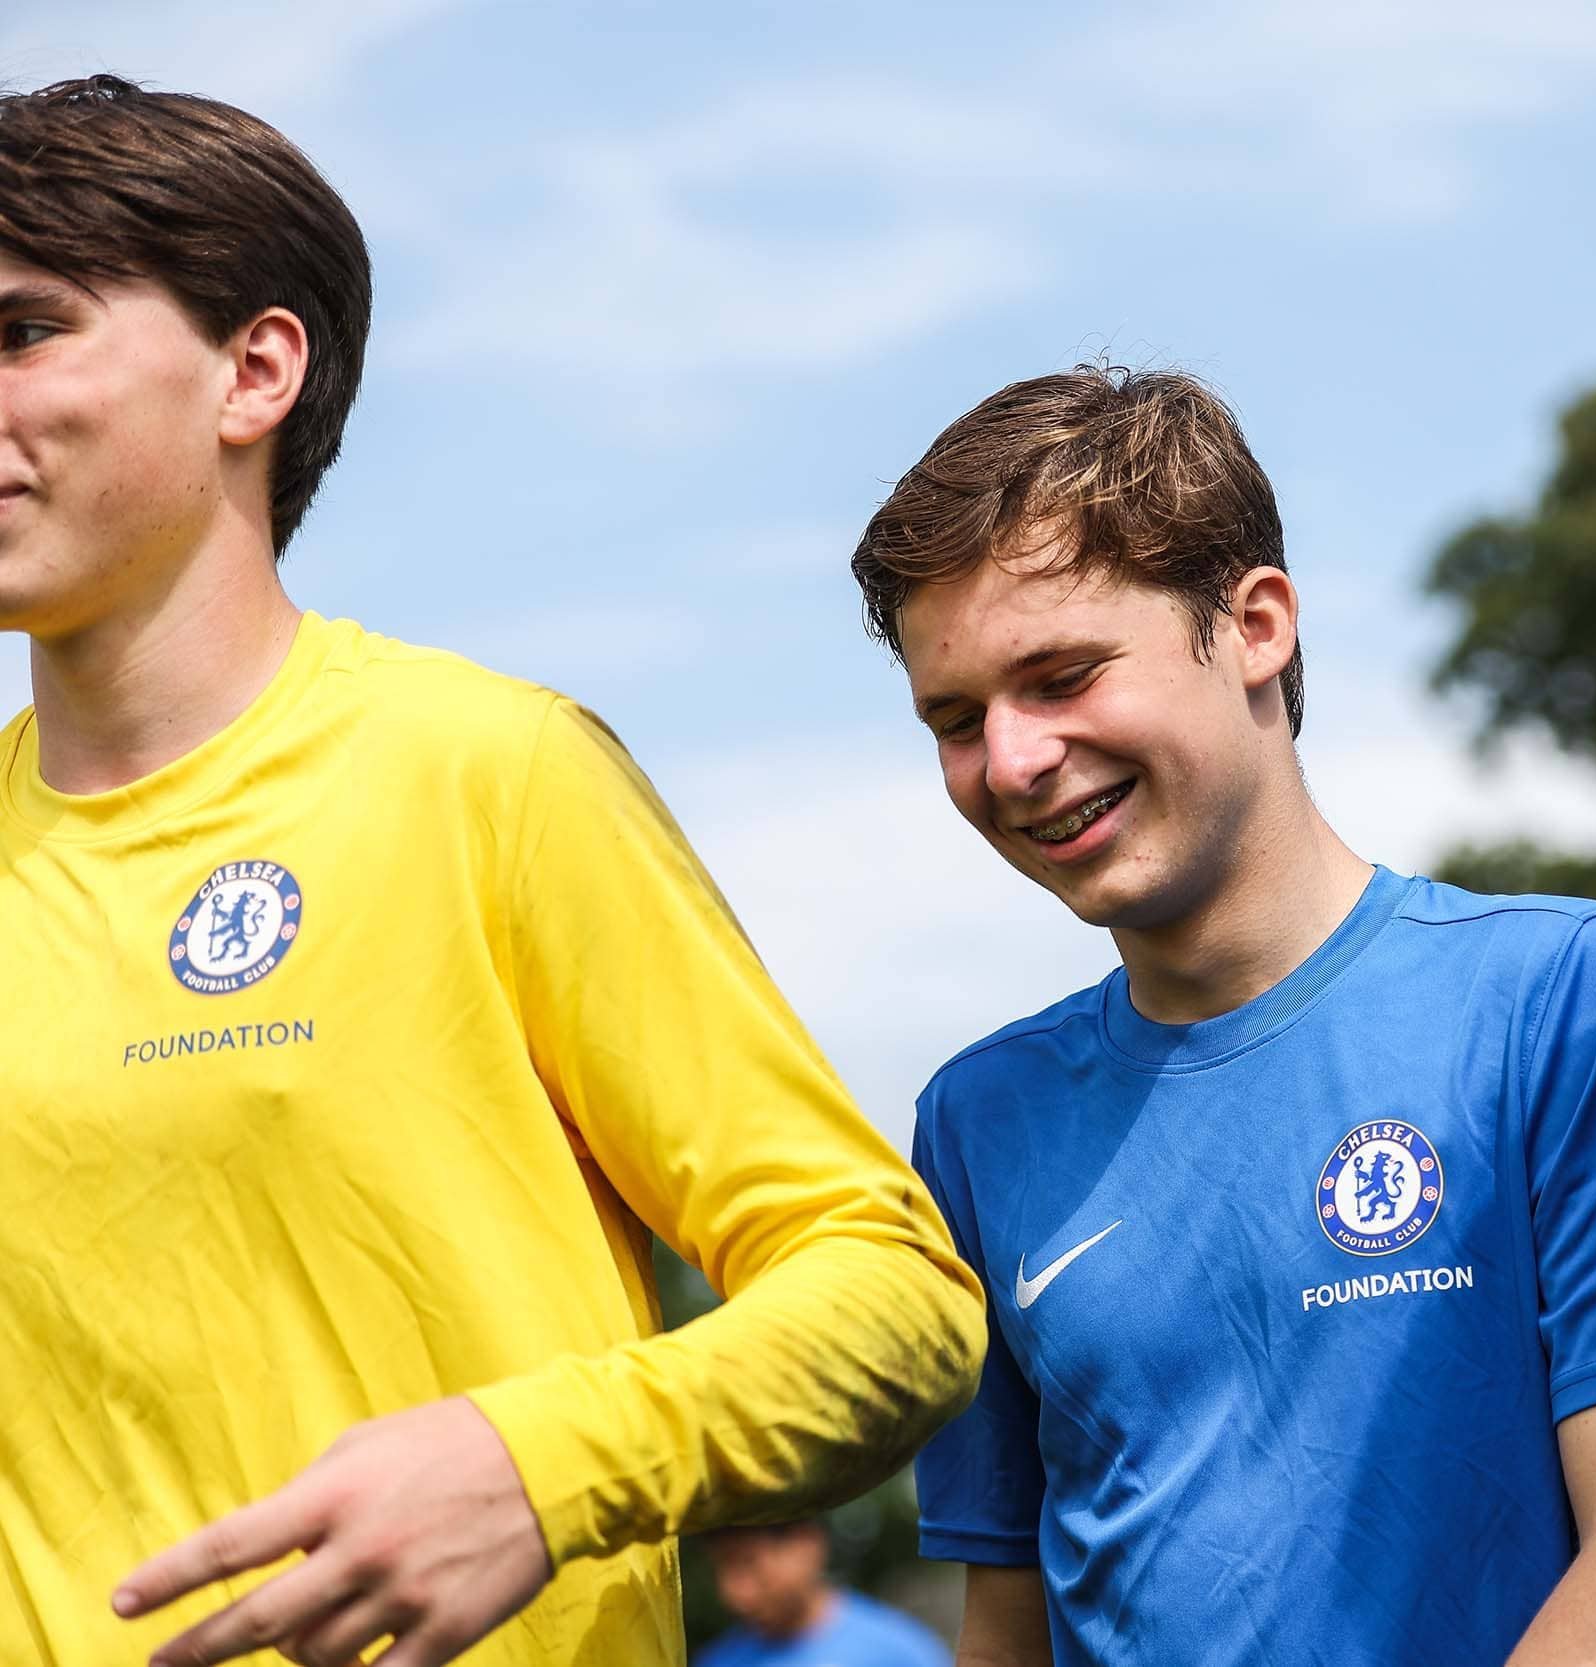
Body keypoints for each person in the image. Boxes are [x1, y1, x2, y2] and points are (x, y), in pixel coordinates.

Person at [0, 76, 983, 1667]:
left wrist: (546, 1464)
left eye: (23, 330)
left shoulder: (487, 771)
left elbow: (896, 1295)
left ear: (254, 370)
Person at [849, 365, 1596, 1666]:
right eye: (957, 720)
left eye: (1063, 674)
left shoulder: (1558, 1000)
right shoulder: (979, 1121)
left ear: (1256, 625)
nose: (1013, 760)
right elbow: (1006, 1630)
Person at [697, 1519, 949, 1667]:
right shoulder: (718, 1660)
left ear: (807, 1544)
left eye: (748, 1564)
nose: (733, 1593)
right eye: (720, 1569)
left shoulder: (899, 1654)